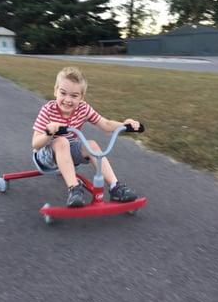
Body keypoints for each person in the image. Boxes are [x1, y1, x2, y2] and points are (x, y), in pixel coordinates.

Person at [32, 66, 141, 208]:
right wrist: (48, 132)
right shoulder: (48, 110)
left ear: (82, 97)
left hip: (70, 154)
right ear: (55, 91)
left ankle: (115, 187)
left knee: (92, 145)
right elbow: (35, 144)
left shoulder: (83, 108)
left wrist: (124, 124)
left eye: (74, 96)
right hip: (45, 156)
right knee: (61, 141)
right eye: (63, 93)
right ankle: (74, 190)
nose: (67, 100)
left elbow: (106, 124)